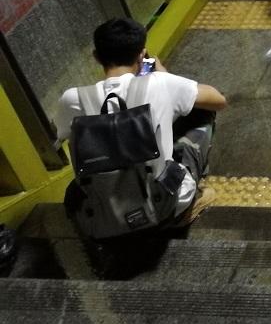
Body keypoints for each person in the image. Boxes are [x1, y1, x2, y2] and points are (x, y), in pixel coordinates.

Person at [56, 18, 227, 228]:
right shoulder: (161, 82)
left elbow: (63, 135)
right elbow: (218, 100)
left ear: (96, 57)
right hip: (164, 209)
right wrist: (165, 76)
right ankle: (188, 204)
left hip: (102, 220)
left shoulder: (72, 99)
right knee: (200, 111)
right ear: (141, 55)